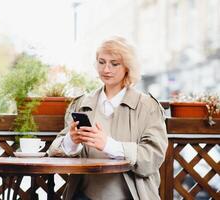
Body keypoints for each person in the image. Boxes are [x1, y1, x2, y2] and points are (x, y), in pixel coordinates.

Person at [47, 36, 168, 200]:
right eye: (101, 62)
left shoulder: (148, 107)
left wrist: (108, 145)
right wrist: (71, 141)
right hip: (83, 196)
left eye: (114, 63)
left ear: (128, 67)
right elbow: (54, 152)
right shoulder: (81, 103)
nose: (106, 69)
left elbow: (152, 158)